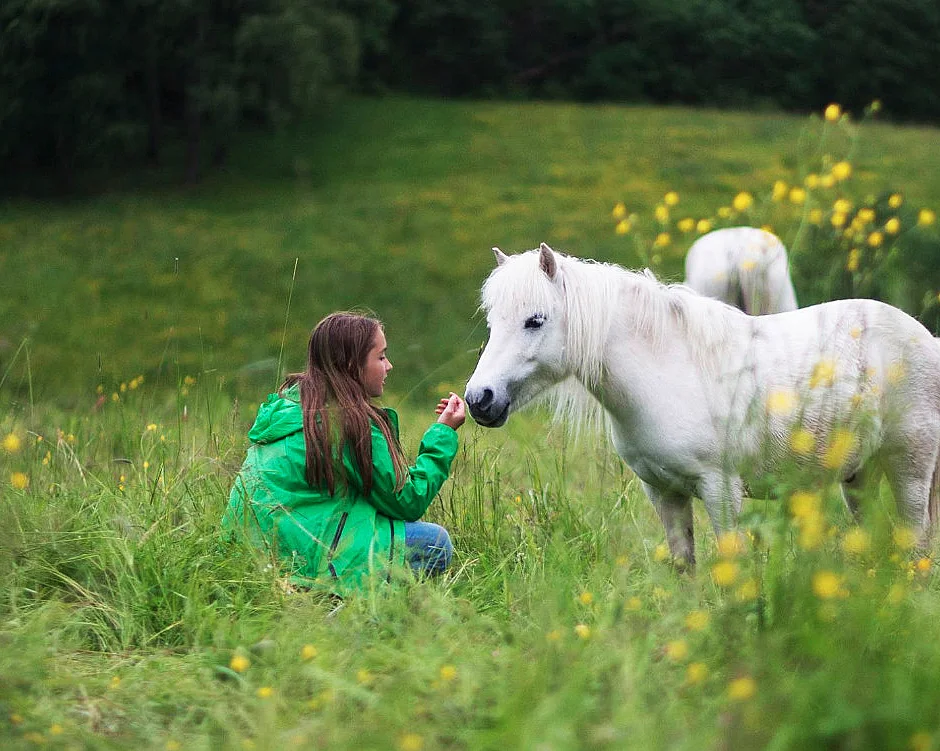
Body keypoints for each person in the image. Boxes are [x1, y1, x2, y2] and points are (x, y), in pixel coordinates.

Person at [223, 311, 466, 594]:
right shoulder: (347, 424)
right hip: (304, 557)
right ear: (352, 364)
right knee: (435, 543)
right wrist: (443, 433)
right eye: (381, 356)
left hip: (251, 557)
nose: (389, 366)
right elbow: (406, 501)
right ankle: (343, 599)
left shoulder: (287, 409)